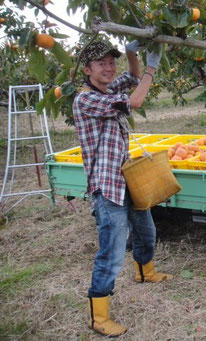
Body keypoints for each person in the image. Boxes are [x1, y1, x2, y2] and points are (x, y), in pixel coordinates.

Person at [73, 39, 173, 337]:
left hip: (127, 178)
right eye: (101, 63)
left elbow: (131, 76)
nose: (108, 67)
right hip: (108, 186)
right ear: (87, 69)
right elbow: (135, 101)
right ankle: (98, 317)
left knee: (146, 231)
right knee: (112, 251)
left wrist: (132, 52)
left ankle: (146, 272)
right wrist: (152, 69)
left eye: (111, 61)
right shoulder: (85, 99)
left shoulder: (107, 89)